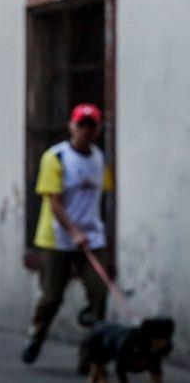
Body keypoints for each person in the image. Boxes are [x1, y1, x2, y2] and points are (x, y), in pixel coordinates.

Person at [22, 103, 112, 364]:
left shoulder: (99, 158)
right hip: (57, 238)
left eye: (91, 125)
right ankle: (36, 335)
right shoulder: (56, 157)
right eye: (81, 125)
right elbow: (54, 201)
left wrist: (94, 230)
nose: (86, 130)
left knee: (99, 294)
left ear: (97, 130)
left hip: (91, 237)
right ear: (72, 127)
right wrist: (73, 232)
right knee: (51, 296)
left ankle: (90, 356)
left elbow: (101, 196)